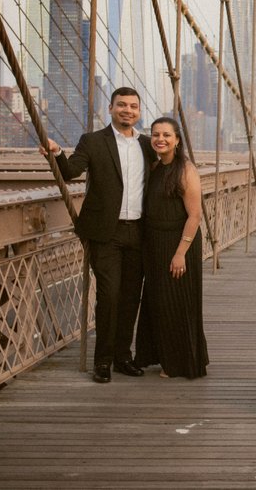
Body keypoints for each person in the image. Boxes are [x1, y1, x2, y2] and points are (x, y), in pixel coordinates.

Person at [42, 87, 154, 384]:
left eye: (133, 106)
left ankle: (123, 357)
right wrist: (56, 154)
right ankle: (102, 361)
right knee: (110, 295)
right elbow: (70, 172)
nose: (127, 110)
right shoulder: (92, 141)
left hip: (139, 231)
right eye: (121, 105)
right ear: (110, 108)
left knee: (131, 298)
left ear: (139, 112)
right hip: (107, 233)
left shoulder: (148, 145)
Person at [134, 117, 209, 379]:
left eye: (167, 135)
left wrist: (180, 253)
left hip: (178, 242)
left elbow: (195, 216)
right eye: (156, 135)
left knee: (177, 302)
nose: (160, 139)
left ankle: (181, 363)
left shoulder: (186, 169)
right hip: (154, 243)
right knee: (157, 302)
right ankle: (161, 356)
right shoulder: (155, 167)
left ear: (177, 140)